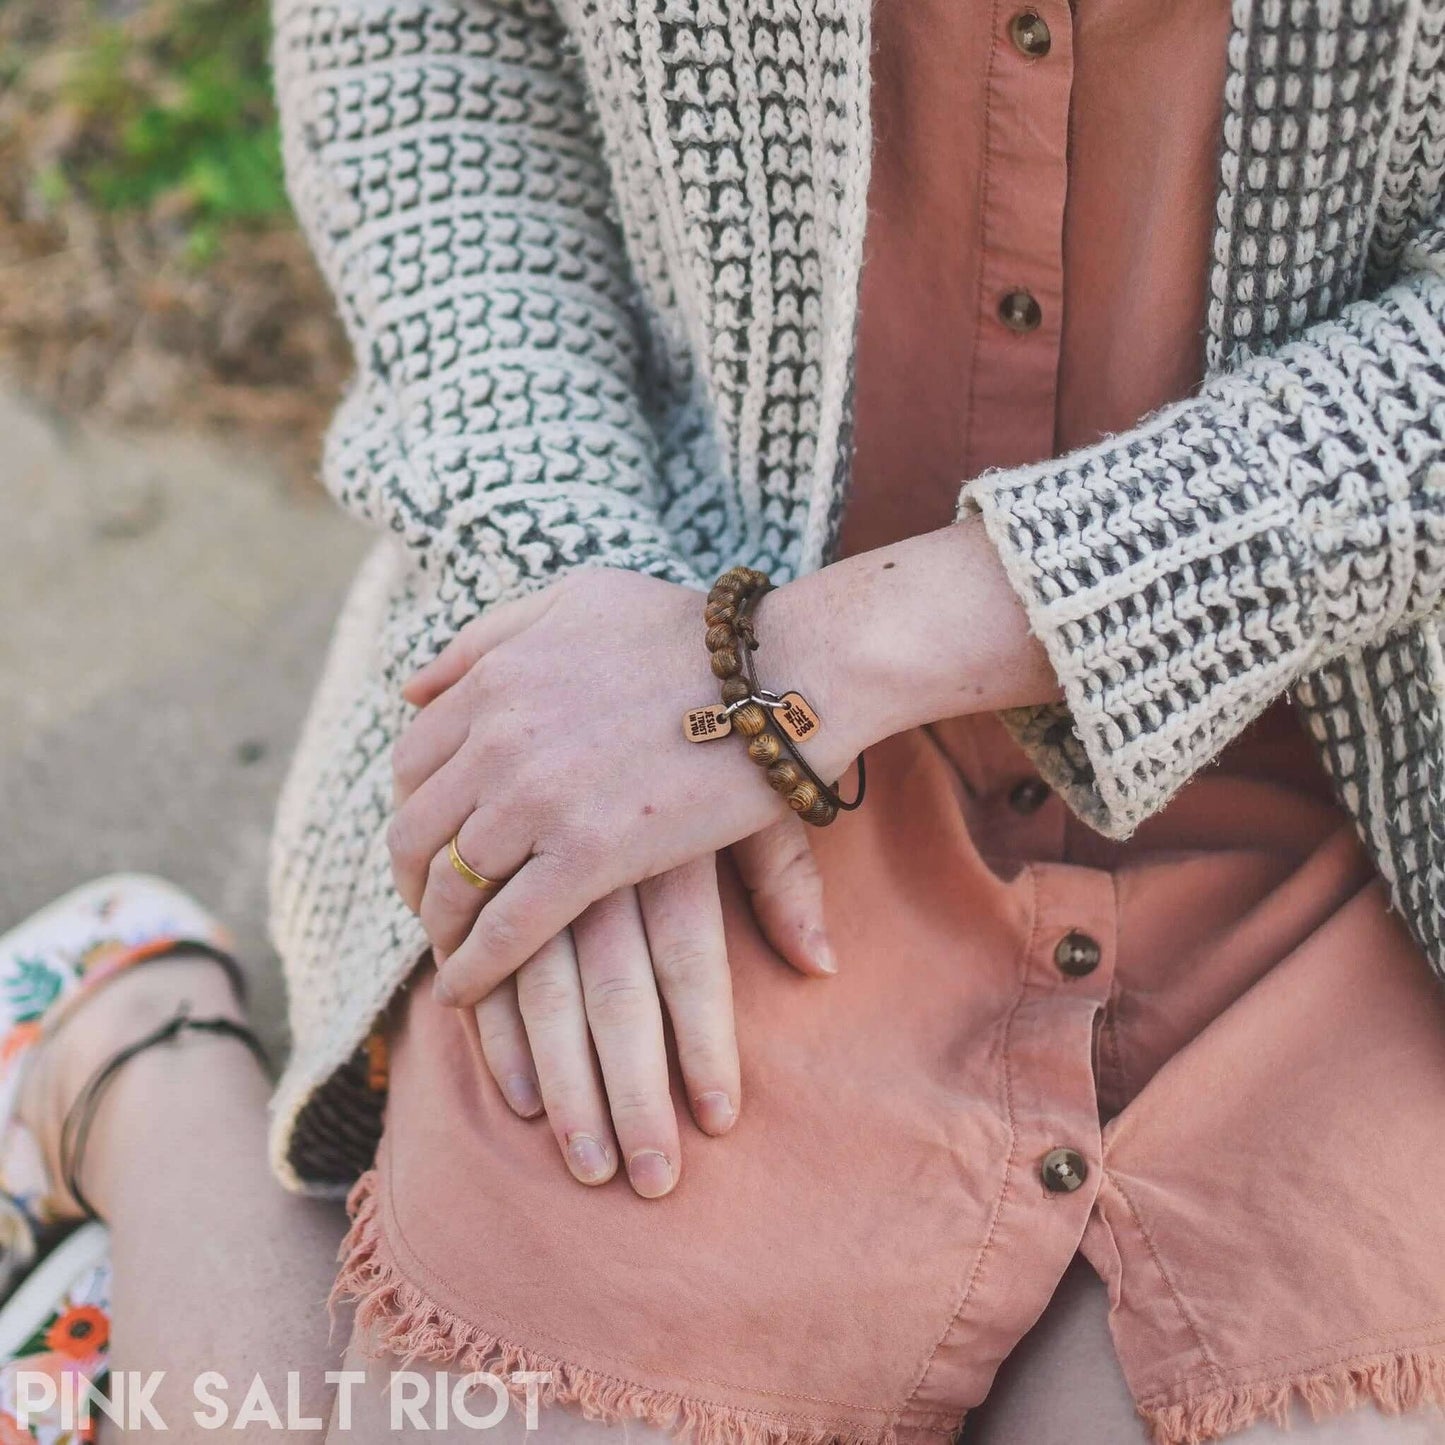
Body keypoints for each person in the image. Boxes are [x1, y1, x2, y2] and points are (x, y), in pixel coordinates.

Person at [2, 0, 1443, 1442]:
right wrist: (557, 599)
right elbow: (427, 37)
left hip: (1360, 741)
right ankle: (139, 1047)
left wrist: (825, 657)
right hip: (684, 680)